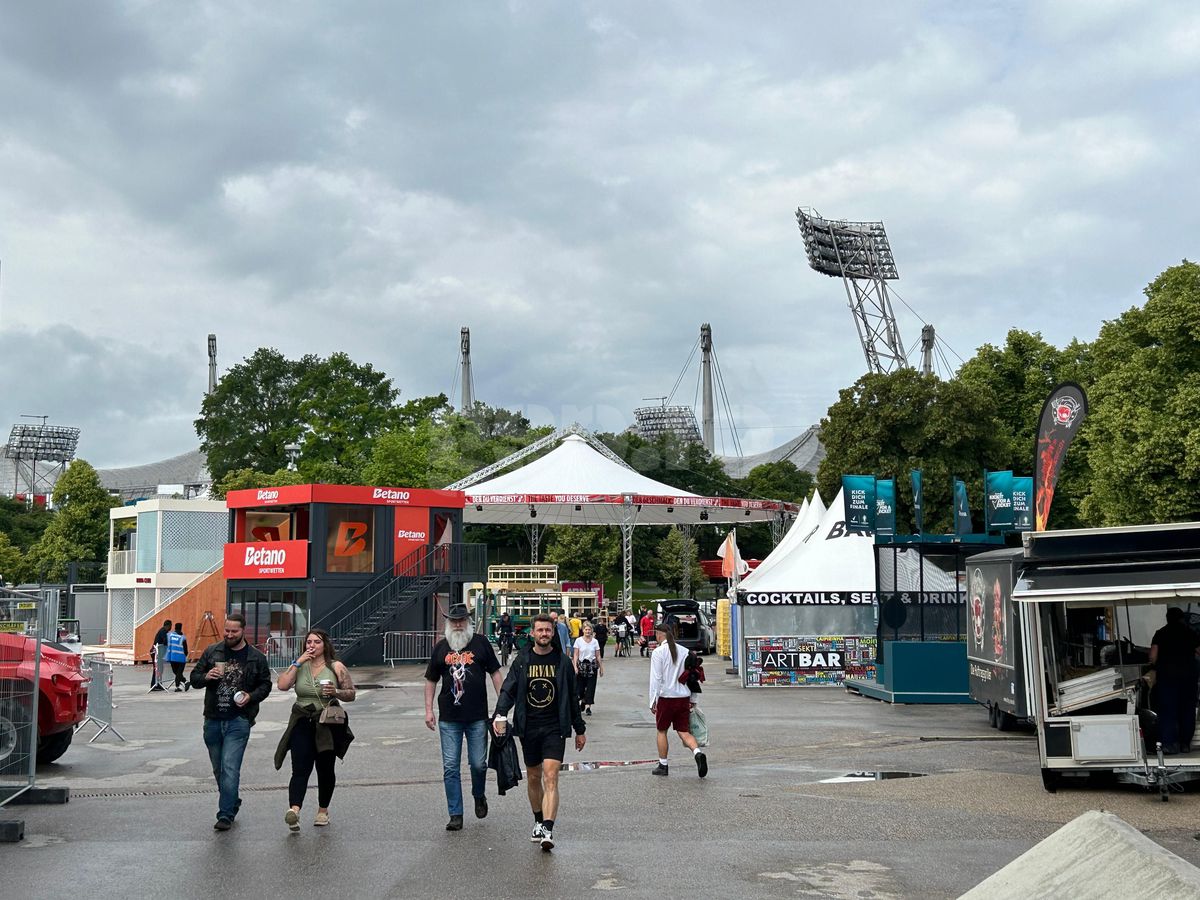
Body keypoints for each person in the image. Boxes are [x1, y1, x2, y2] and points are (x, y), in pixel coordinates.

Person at [494, 613, 587, 852]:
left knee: (551, 776)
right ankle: (537, 820)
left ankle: (548, 828)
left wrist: (579, 729)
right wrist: (500, 714)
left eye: (548, 630)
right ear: (533, 633)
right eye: (540, 630)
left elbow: (573, 696)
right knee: (534, 777)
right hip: (529, 727)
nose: (544, 634)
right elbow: (508, 689)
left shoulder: (563, 662)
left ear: (553, 633)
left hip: (555, 727)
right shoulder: (522, 660)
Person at [190, 613, 273, 831]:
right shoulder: (212, 651)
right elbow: (194, 679)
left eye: (233, 631)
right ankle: (232, 799)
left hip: (238, 719)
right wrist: (207, 676)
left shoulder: (255, 657)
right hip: (213, 719)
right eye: (227, 630)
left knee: (229, 767)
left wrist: (251, 696)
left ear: (243, 631)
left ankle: (225, 814)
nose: (229, 634)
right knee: (219, 769)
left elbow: (265, 685)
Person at [424, 603, 502, 831]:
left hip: (477, 716)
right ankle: (455, 813)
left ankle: (478, 794)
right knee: (450, 767)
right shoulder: (441, 648)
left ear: (468, 621)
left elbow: (496, 673)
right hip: (449, 718)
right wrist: (428, 710)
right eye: (453, 621)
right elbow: (430, 680)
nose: (458, 624)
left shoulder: (481, 643)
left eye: (461, 620)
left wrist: (503, 707)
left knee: (478, 764)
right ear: (448, 623)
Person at [275, 629, 356, 831]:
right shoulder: (300, 665)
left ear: (325, 645)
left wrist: (335, 691)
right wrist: (298, 661)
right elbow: (282, 685)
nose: (312, 645)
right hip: (302, 719)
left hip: (326, 722)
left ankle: (322, 810)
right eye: (308, 642)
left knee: (325, 768)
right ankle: (294, 810)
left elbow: (351, 694)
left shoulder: (335, 666)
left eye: (317, 642)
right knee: (300, 768)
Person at [648, 619, 707, 778]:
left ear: (660, 635)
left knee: (661, 731)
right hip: (683, 697)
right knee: (683, 731)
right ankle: (698, 753)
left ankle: (663, 764)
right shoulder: (685, 651)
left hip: (666, 698)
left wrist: (652, 700)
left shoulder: (658, 653)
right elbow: (693, 676)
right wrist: (693, 698)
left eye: (656, 635)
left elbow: (656, 678)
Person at [1150, 607, 1200, 754]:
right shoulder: (1190, 633)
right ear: (1182, 618)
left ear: (1167, 618)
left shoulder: (1160, 633)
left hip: (1167, 677)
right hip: (1189, 677)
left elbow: (1153, 656)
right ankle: (1185, 744)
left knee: (1167, 710)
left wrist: (1154, 665)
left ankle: (1169, 744)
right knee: (1187, 710)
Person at [572, 622, 603, 716]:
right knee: (580, 688)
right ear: (583, 630)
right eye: (586, 630)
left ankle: (588, 706)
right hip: (581, 666)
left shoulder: (595, 641)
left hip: (592, 666)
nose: (588, 631)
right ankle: (582, 700)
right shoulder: (578, 641)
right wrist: (575, 666)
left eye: (589, 630)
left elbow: (598, 655)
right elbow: (576, 654)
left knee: (590, 687)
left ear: (592, 631)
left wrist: (601, 667)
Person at [165, 622, 190, 692]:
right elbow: (186, 649)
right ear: (181, 628)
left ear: (175, 628)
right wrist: (186, 655)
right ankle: (183, 684)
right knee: (179, 672)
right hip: (181, 658)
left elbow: (166, 643)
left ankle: (182, 684)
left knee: (176, 672)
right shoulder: (183, 637)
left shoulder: (170, 635)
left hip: (172, 657)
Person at [151, 619, 172, 691]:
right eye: (170, 626)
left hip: (159, 653)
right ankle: (154, 684)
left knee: (160, 668)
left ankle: (159, 683)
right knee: (157, 669)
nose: (170, 628)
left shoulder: (164, 631)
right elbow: (165, 641)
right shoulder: (163, 631)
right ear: (168, 625)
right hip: (156, 652)